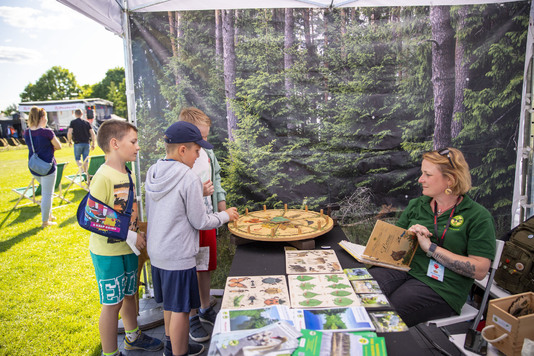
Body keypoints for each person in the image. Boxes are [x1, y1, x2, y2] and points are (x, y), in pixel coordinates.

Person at [369, 147, 496, 326]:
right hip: (405, 270)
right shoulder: (417, 205)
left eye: (427, 175)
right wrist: (408, 236)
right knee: (363, 289)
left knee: (386, 314)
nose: (421, 180)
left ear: (450, 180)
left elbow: (480, 270)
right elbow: (393, 250)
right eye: (422, 173)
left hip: (442, 286)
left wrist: (431, 248)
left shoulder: (477, 216)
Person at [145, 121, 239, 356]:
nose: (199, 156)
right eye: (197, 150)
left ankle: (171, 346)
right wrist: (225, 215)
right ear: (182, 150)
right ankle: (179, 352)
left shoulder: (153, 171)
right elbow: (200, 221)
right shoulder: (187, 178)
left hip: (157, 252)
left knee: (169, 305)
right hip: (178, 255)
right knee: (181, 310)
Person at [89, 119, 163, 356]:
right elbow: (94, 217)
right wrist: (130, 235)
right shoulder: (103, 177)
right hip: (108, 252)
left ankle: (133, 337)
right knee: (113, 304)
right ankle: (111, 352)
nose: (137, 146)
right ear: (115, 143)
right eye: (133, 141)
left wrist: (137, 232)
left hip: (128, 249)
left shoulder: (126, 172)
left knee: (131, 294)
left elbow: (130, 209)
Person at [178, 107, 226, 343]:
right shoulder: (178, 159)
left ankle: (205, 306)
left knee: (204, 265)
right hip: (187, 226)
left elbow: (216, 180)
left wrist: (222, 210)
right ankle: (193, 316)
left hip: (207, 220)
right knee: (190, 269)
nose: (205, 142)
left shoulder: (207, 154)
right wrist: (198, 191)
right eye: (201, 138)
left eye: (207, 137)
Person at [24, 106, 62, 228]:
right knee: (47, 194)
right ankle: (45, 221)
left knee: (46, 192)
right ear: (42, 117)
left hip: (34, 167)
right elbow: (59, 146)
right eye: (45, 116)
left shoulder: (27, 132)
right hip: (47, 167)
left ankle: (49, 214)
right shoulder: (47, 132)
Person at [67, 108, 96, 173]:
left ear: (75, 114)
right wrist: (93, 143)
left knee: (77, 159)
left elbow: (69, 133)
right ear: (82, 114)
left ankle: (82, 171)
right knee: (86, 159)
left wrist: (69, 141)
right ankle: (86, 173)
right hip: (86, 143)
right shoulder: (87, 123)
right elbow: (93, 134)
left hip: (78, 143)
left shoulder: (73, 122)